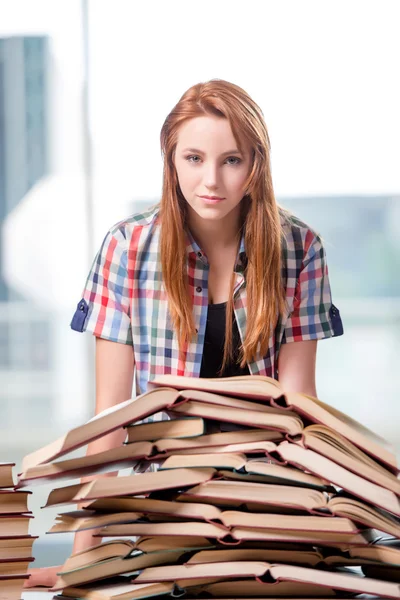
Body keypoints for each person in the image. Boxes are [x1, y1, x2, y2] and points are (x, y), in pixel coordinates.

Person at [24, 78, 343, 588]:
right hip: (170, 503)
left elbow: (300, 404)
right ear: (171, 161)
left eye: (231, 160)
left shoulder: (300, 247)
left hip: (270, 494)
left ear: (255, 166)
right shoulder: (126, 248)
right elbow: (111, 420)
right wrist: (83, 559)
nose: (210, 179)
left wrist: (337, 518)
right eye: (193, 158)